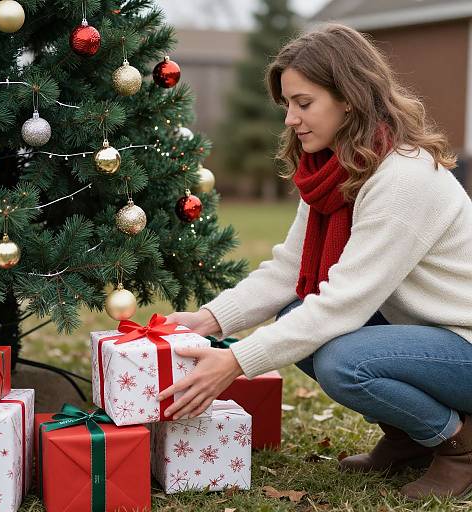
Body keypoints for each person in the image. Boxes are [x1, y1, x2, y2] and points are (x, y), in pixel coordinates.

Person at [157, 23, 472, 501]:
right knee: (294, 316)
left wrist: (236, 362)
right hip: (429, 334)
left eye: (304, 103)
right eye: (287, 105)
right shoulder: (337, 169)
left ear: (349, 97)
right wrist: (210, 319)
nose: (290, 119)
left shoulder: (404, 178)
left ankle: (458, 445)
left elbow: (343, 303)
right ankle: (409, 439)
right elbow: (290, 270)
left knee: (344, 360)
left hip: (462, 341)